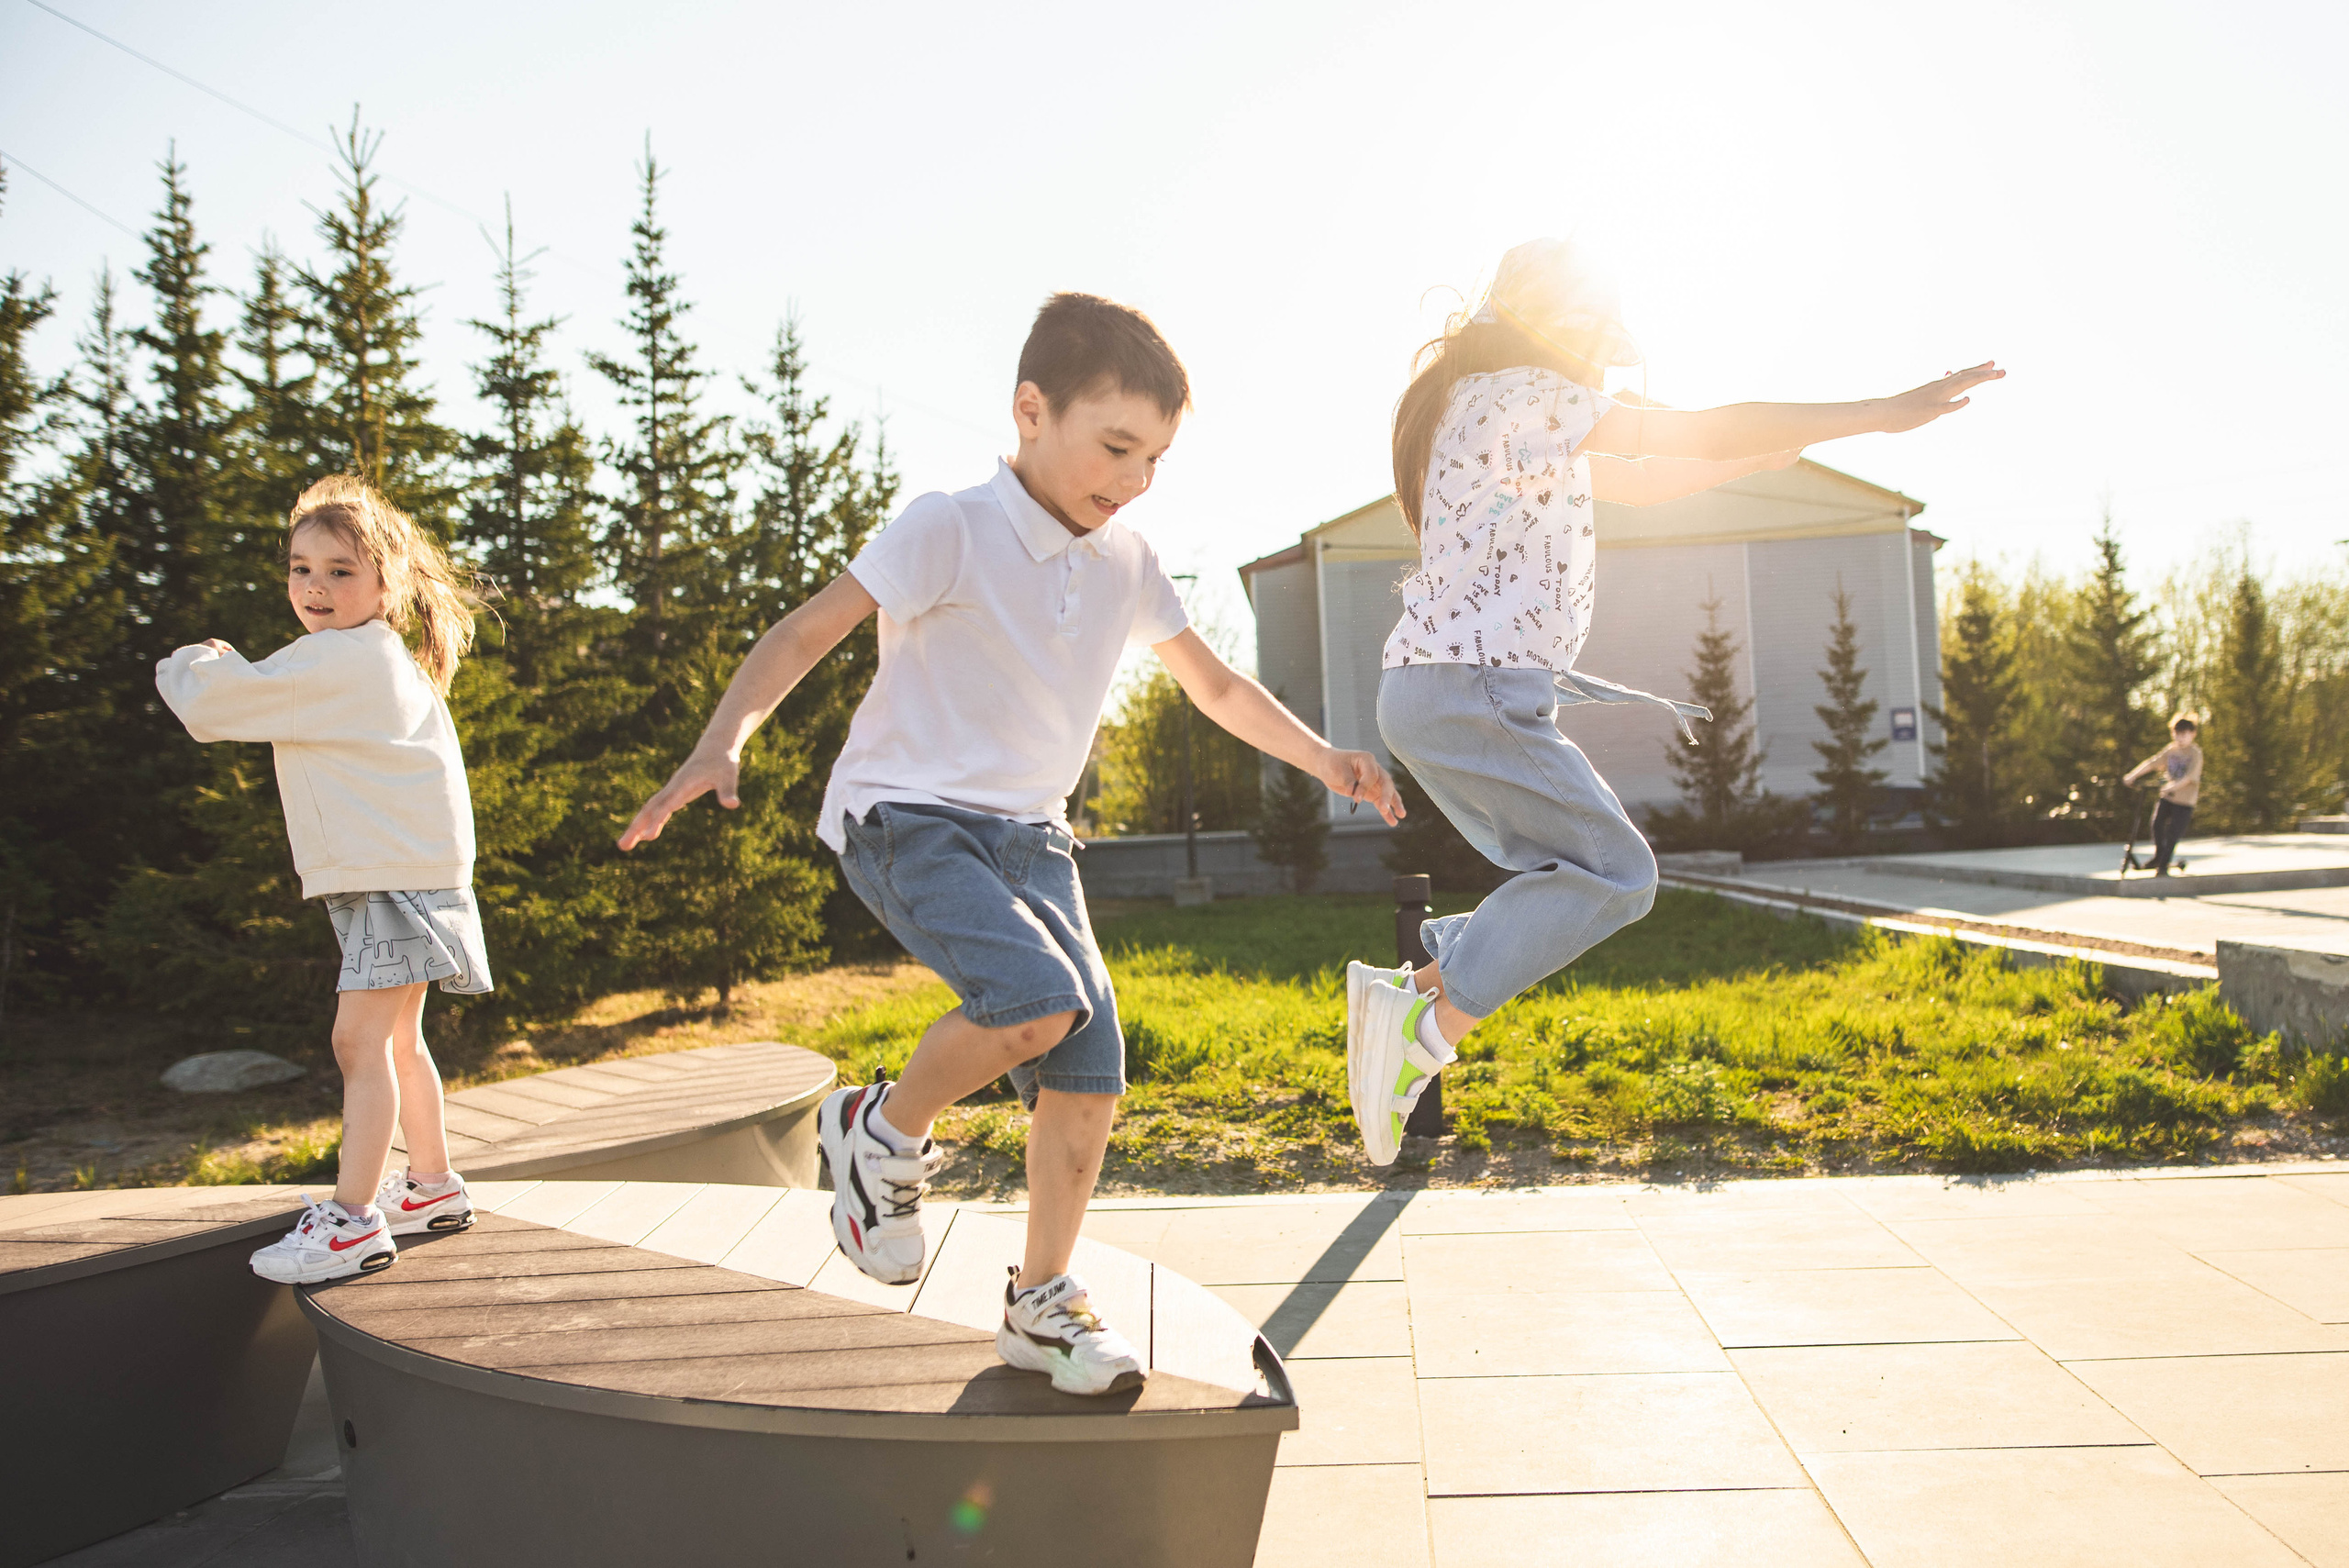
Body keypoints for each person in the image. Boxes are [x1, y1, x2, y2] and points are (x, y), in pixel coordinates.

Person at [618, 293, 1402, 1396]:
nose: (1130, 480)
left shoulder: (1126, 557)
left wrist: (1327, 758)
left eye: (1155, 459)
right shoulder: (951, 524)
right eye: (1114, 446)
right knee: (1034, 999)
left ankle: (1039, 1301)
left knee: (1087, 1072)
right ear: (1030, 411)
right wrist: (719, 741)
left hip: (1034, 841)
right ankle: (875, 1128)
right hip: (908, 817)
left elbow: (1214, 683)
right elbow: (806, 630)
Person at [1346, 238, 2004, 1164]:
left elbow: (1654, 474)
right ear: (1556, 336)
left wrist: (1777, 448)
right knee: (1620, 874)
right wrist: (1877, 414)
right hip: (1476, 688)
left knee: (1572, 876)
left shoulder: (1484, 406)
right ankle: (1423, 1027)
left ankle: (1414, 984)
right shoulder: (1525, 394)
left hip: (1445, 689)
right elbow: (1687, 429)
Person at [156, 476, 491, 1282]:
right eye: (301, 568)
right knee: (399, 1040)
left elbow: (211, 705)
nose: (315, 587)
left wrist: (199, 659)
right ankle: (433, 1184)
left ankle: (351, 1221)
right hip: (412, 874)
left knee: (358, 1041)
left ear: (385, 583)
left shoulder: (340, 659)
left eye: (341, 571)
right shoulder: (381, 657)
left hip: (389, 880)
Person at [2124, 715, 2203, 875]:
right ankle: (2159, 856)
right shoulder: (2171, 749)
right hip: (2168, 797)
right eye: (2177, 734)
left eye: (2184, 734)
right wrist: (2133, 775)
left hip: (2185, 801)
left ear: (2193, 734)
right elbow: (2152, 763)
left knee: (2173, 832)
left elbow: (2189, 777)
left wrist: (2172, 786)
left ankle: (2164, 864)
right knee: (2156, 824)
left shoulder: (2195, 753)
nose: (2180, 738)